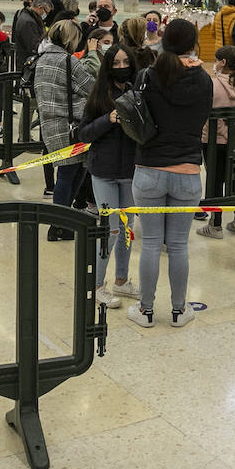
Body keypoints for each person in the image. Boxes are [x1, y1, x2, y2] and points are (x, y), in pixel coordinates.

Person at [127, 19, 212, 329]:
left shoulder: (148, 76)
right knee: (178, 245)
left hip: (149, 167)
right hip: (188, 170)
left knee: (150, 242)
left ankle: (146, 310)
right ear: (192, 44)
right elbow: (202, 119)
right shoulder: (203, 80)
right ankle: (179, 310)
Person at [79, 43, 140, 308]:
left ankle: (121, 280)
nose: (121, 67)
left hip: (131, 171)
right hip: (103, 171)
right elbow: (84, 133)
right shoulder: (99, 94)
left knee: (127, 228)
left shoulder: (138, 91)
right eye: (116, 63)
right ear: (108, 65)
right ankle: (95, 285)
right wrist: (109, 119)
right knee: (110, 229)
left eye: (126, 62)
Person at [34, 20, 93, 238]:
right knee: (70, 174)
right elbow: (91, 87)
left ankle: (61, 223)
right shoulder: (69, 61)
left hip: (50, 124)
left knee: (68, 172)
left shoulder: (43, 59)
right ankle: (59, 224)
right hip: (71, 125)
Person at [196, 44, 235, 239]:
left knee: (215, 182)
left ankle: (215, 225)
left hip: (213, 140)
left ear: (222, 62)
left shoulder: (212, 85)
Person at [13, 0, 49, 69]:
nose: (46, 14)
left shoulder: (28, 16)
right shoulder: (29, 22)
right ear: (40, 7)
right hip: (28, 65)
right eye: (46, 11)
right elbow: (34, 47)